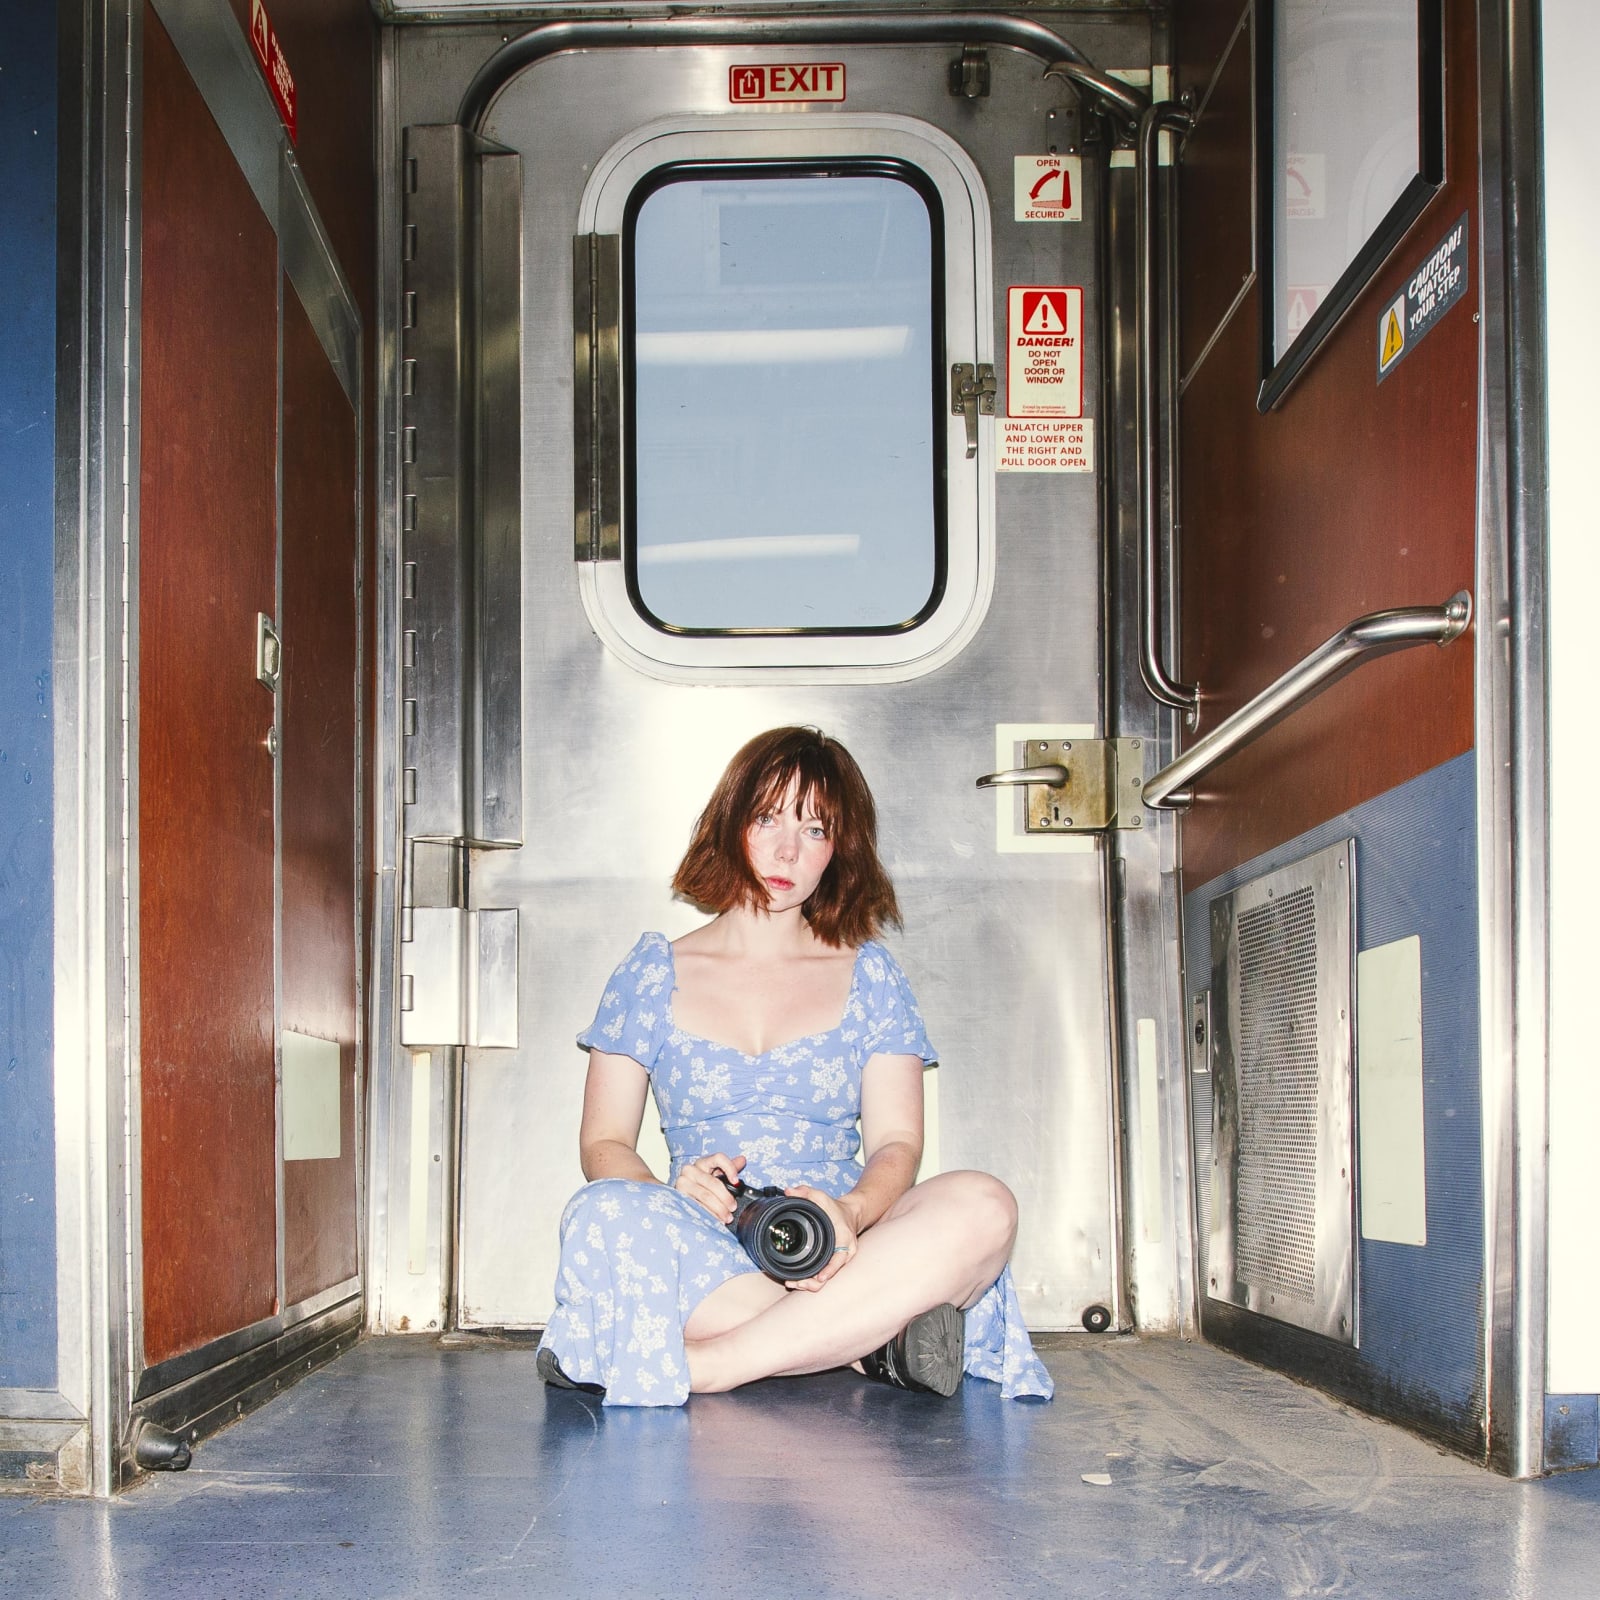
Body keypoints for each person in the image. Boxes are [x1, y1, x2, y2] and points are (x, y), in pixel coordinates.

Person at [536, 726, 1053, 1407]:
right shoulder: (650, 971)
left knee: (984, 1204)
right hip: (702, 1239)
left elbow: (898, 1143)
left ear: (839, 850)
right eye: (767, 818)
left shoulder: (871, 975)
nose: (787, 850)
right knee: (602, 1214)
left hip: (845, 1252)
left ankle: (703, 1366)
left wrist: (849, 1211)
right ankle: (868, 1344)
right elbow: (603, 1143)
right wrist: (675, 1196)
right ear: (731, 825)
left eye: (815, 830)